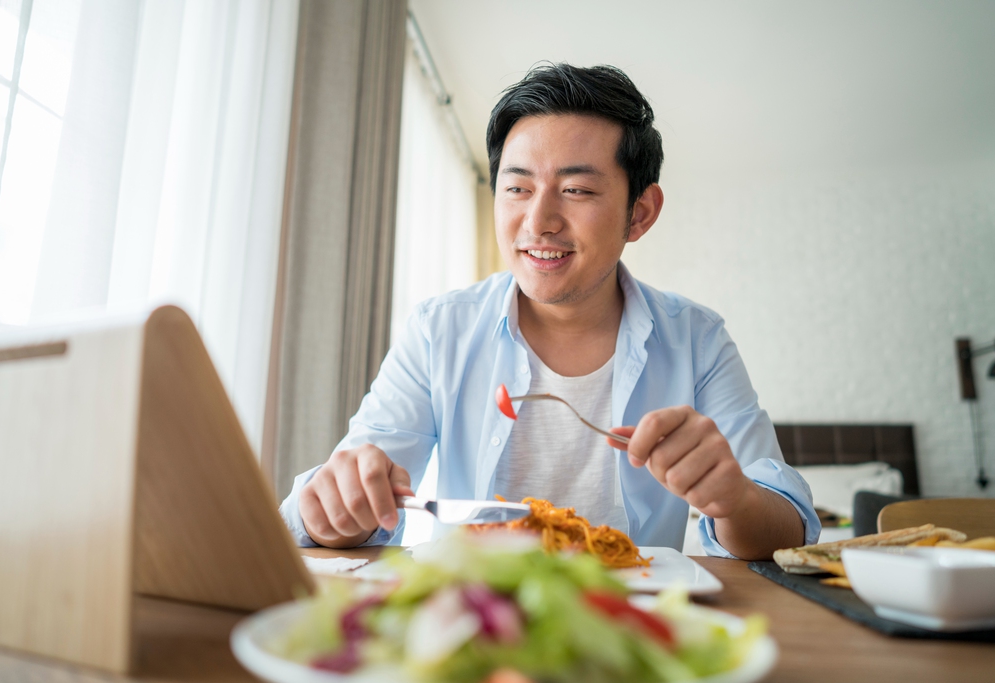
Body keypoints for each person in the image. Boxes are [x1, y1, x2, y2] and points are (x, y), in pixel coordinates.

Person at [280, 64, 820, 560]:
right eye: (517, 187)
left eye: (577, 189)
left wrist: (735, 499)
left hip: (633, 631)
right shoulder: (440, 329)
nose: (538, 222)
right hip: (473, 621)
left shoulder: (697, 339)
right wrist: (333, 507)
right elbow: (341, 506)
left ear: (640, 213)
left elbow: (786, 528)